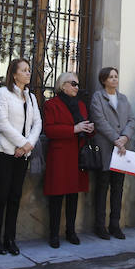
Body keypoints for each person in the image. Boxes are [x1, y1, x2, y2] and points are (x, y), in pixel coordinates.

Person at [0, 58, 42, 255]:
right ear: (14, 74)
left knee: (15, 196)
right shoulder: (3, 93)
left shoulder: (31, 97)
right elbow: (2, 124)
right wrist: (22, 143)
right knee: (1, 196)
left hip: (22, 154)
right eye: (24, 70)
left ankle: (10, 238)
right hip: (3, 151)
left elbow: (37, 123)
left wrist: (28, 146)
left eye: (29, 70)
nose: (28, 73)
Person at [44, 72, 94, 247]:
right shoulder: (51, 104)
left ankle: (71, 231)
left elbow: (84, 126)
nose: (76, 87)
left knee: (73, 196)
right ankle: (53, 234)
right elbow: (50, 130)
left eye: (78, 84)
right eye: (73, 83)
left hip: (77, 157)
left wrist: (89, 128)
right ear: (62, 85)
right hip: (60, 156)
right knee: (56, 197)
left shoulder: (81, 105)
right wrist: (74, 129)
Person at [90, 66, 135, 240]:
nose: (114, 80)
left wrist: (125, 137)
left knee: (118, 188)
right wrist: (117, 139)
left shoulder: (123, 99)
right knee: (102, 188)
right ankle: (99, 225)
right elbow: (99, 121)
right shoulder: (98, 97)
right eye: (111, 77)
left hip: (121, 151)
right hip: (105, 148)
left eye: (116, 76)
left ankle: (115, 224)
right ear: (103, 80)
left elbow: (132, 120)